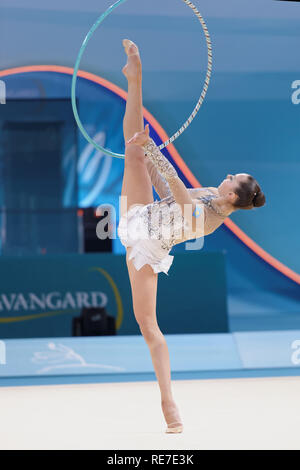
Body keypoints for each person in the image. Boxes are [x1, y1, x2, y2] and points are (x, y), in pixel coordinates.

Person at [118, 39, 266, 433]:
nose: (229, 174)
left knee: (148, 326)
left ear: (232, 194)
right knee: (133, 149)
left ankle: (169, 403)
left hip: (147, 248)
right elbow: (168, 195)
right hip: (141, 214)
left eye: (233, 178)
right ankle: (135, 78)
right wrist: (146, 154)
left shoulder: (210, 219)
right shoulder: (210, 195)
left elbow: (180, 196)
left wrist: (157, 154)